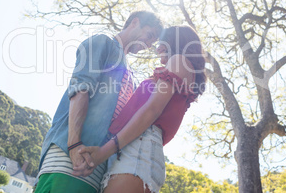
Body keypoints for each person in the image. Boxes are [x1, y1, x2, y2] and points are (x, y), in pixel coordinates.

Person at [34, 11, 163, 193]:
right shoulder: (104, 43)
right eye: (149, 36)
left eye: (152, 42)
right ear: (135, 22)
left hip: (96, 169)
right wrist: (74, 145)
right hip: (70, 158)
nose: (149, 45)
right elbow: (81, 89)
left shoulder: (130, 74)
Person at [75, 25, 207, 193]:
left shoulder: (179, 60)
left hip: (139, 148)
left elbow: (152, 110)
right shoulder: (181, 68)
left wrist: (103, 152)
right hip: (133, 149)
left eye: (162, 42)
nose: (157, 48)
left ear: (175, 42)